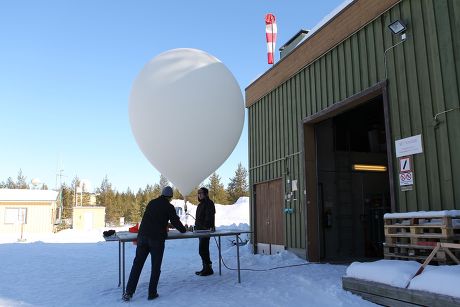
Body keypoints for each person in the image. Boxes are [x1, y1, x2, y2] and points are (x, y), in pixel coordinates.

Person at [123, 186, 186, 302]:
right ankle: (152, 293)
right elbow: (175, 221)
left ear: (161, 194)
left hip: (142, 237)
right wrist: (183, 230)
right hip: (156, 239)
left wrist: (166, 224)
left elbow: (154, 218)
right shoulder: (169, 206)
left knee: (137, 265)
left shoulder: (152, 203)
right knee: (155, 267)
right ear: (170, 197)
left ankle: (128, 292)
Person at [194, 187, 216, 276]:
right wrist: (197, 226)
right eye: (198, 193)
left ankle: (208, 269)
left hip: (205, 230)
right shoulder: (201, 204)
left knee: (203, 250)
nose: (199, 194)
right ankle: (205, 268)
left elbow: (209, 217)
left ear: (206, 194)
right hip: (200, 230)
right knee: (203, 249)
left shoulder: (208, 203)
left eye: (201, 193)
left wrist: (206, 227)